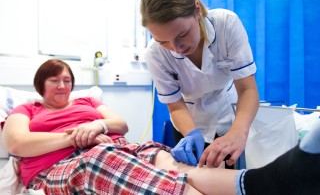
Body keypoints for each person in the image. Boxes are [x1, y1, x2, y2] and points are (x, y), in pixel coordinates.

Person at [2, 59, 320, 195]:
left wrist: (98, 124)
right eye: (54, 79)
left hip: (114, 147)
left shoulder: (86, 103)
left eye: (67, 79)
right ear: (39, 84)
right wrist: (77, 136)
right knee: (100, 161)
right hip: (68, 165)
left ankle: (257, 184)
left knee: (164, 156)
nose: (62, 85)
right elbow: (17, 144)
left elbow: (120, 124)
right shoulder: (27, 108)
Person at [140, 0, 259, 168]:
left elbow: (247, 89)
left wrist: (239, 131)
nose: (176, 48)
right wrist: (191, 133)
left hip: (230, 114)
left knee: (232, 176)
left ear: (196, 10)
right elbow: (175, 104)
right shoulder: (154, 53)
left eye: (182, 34)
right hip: (189, 120)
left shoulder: (226, 25)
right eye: (164, 42)